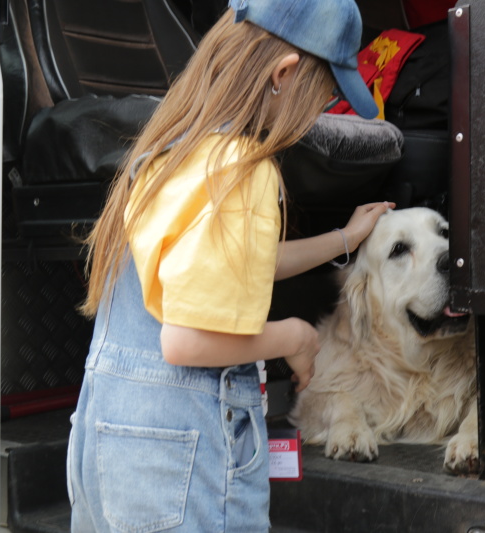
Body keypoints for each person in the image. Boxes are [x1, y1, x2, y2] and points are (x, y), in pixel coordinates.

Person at [66, 0, 394, 531]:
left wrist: (345, 238)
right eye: (323, 94)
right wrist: (296, 337)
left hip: (108, 435)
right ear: (283, 74)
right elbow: (186, 342)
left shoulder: (171, 148)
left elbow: (231, 265)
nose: (317, 114)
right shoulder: (242, 169)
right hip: (182, 451)